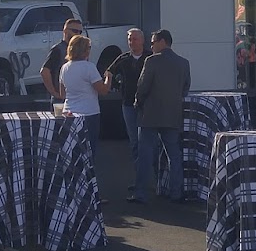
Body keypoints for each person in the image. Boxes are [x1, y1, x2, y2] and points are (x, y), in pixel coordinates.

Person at [132, 29, 189, 202]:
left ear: (162, 41)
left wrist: (138, 102)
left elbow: (143, 86)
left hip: (150, 115)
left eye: (153, 42)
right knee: (174, 155)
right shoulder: (183, 63)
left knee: (145, 154)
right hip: (172, 114)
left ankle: (140, 193)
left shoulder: (151, 61)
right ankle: (176, 192)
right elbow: (185, 88)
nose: (151, 46)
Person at [58, 34, 108, 162]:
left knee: (72, 151)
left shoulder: (64, 68)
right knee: (89, 151)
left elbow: (62, 94)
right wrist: (109, 78)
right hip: (88, 113)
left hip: (69, 113)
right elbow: (103, 90)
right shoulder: (89, 67)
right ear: (85, 50)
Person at [106, 28, 147, 164]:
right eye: (129, 39)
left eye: (135, 39)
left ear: (142, 40)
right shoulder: (123, 59)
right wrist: (116, 85)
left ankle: (151, 171)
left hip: (147, 105)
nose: (132, 42)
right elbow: (109, 72)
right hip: (128, 104)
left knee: (147, 139)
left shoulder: (150, 57)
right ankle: (138, 172)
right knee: (134, 140)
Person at [40, 15, 85, 102]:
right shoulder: (58, 49)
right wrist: (54, 93)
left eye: (80, 32)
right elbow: (44, 71)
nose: (77, 34)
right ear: (65, 31)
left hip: (78, 98)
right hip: (61, 100)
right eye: (74, 31)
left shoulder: (82, 50)